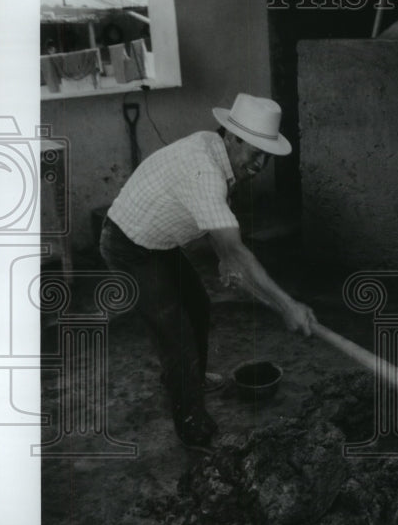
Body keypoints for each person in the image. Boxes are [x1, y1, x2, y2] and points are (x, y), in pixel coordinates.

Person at [99, 92, 317, 450]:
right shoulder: (202, 170)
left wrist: (224, 257)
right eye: (255, 152)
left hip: (157, 241)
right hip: (128, 247)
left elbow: (216, 225)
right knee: (176, 333)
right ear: (231, 137)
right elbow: (234, 246)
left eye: (266, 156)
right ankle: (194, 429)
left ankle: (190, 378)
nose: (260, 164)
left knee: (197, 305)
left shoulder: (213, 149)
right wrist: (287, 306)